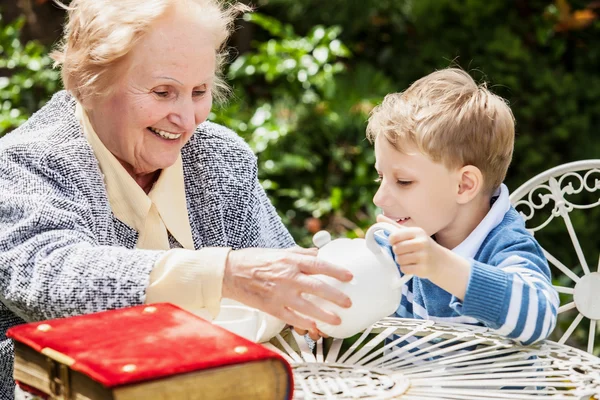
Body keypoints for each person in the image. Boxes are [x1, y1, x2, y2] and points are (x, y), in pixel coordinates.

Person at [0, 0, 353, 398]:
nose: (187, 119)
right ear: (88, 83)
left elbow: (288, 283)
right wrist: (223, 274)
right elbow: (49, 277)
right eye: (163, 92)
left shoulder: (220, 157)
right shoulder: (27, 161)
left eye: (199, 91)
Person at [367, 68, 559, 345]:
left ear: (464, 186)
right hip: (408, 387)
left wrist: (440, 266)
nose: (379, 198)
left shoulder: (505, 244)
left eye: (404, 181)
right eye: (381, 177)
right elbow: (357, 293)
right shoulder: (396, 241)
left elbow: (538, 318)